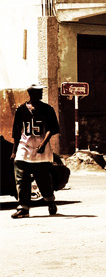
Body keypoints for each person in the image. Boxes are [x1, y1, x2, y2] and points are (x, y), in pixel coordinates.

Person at [10, 83, 60, 218]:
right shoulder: (20, 110)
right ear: (31, 93)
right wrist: (14, 151)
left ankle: (50, 200)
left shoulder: (47, 109)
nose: (41, 94)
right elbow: (16, 132)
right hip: (24, 149)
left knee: (43, 179)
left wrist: (43, 144)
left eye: (41, 91)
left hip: (41, 151)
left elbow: (53, 128)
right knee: (21, 179)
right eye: (38, 92)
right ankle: (23, 208)